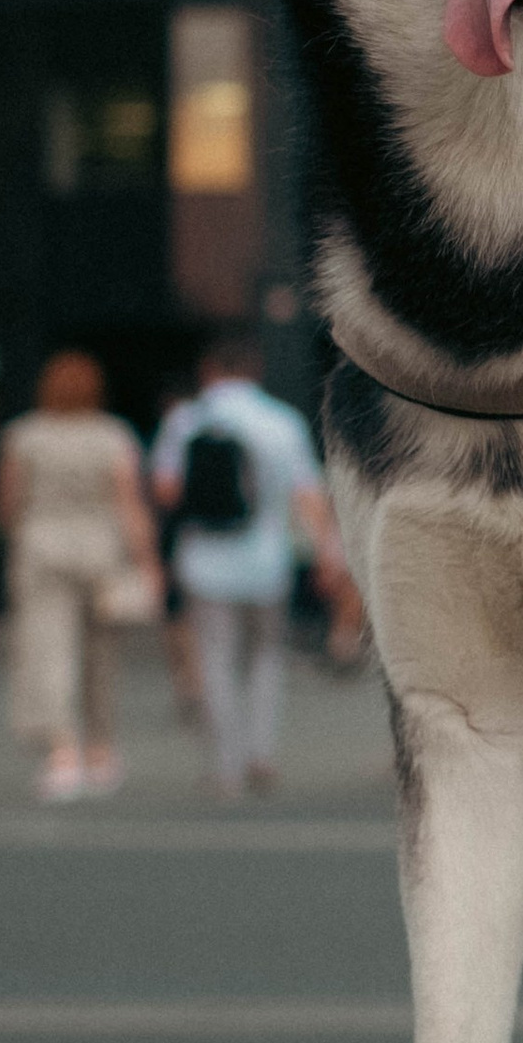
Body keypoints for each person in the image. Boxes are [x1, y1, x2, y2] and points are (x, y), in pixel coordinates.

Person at [149, 334, 345, 799]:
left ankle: (225, 765)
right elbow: (308, 495)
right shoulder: (282, 421)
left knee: (216, 660)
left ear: (209, 371)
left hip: (205, 559)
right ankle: (261, 753)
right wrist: (327, 552)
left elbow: (166, 492)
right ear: (254, 370)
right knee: (265, 657)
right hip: (267, 560)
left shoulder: (186, 420)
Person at [0, 352, 158, 806]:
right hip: (101, 548)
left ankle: (63, 754)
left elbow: (9, 504)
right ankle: (103, 753)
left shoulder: (23, 435)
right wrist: (147, 562)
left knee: (49, 650)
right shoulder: (112, 435)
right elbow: (129, 503)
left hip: (42, 547)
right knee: (101, 657)